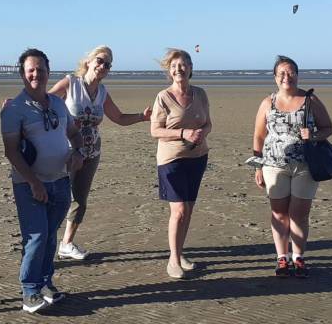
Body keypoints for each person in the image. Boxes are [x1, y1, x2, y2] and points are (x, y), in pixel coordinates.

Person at [47, 45, 152, 260]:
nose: (103, 66)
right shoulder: (71, 83)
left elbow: (119, 118)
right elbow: (45, 102)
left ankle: (66, 244)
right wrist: (18, 106)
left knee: (80, 200)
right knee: (57, 198)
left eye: (108, 64)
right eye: (100, 60)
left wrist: (142, 116)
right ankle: (45, 243)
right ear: (89, 61)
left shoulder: (102, 92)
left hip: (91, 152)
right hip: (64, 152)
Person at [1, 49, 84, 313]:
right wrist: (33, 182)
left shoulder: (59, 104)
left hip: (60, 180)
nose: (36, 74)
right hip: (29, 184)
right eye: (30, 70)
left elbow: (73, 133)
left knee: (50, 237)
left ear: (49, 71)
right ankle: (30, 291)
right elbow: (11, 150)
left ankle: (46, 283)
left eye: (40, 69)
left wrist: (78, 152)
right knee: (36, 237)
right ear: (23, 74)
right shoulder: (14, 109)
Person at [252, 55, 332, 278]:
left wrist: (314, 135)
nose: (286, 77)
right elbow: (259, 136)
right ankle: (282, 258)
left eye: (290, 73)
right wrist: (258, 167)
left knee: (299, 213)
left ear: (297, 75)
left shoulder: (310, 100)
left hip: (305, 165)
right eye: (281, 73)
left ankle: (298, 257)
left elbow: (328, 127)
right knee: (279, 213)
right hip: (274, 165)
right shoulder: (267, 103)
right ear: (275, 78)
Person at [150, 48, 211, 279]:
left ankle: (180, 253)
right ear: (169, 71)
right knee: (178, 211)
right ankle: (173, 261)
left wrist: (202, 133)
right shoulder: (163, 97)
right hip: (171, 159)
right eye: (174, 66)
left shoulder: (201, 94)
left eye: (183, 64)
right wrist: (184, 133)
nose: (179, 69)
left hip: (197, 158)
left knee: (189, 209)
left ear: (191, 68)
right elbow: (155, 130)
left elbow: (208, 124)